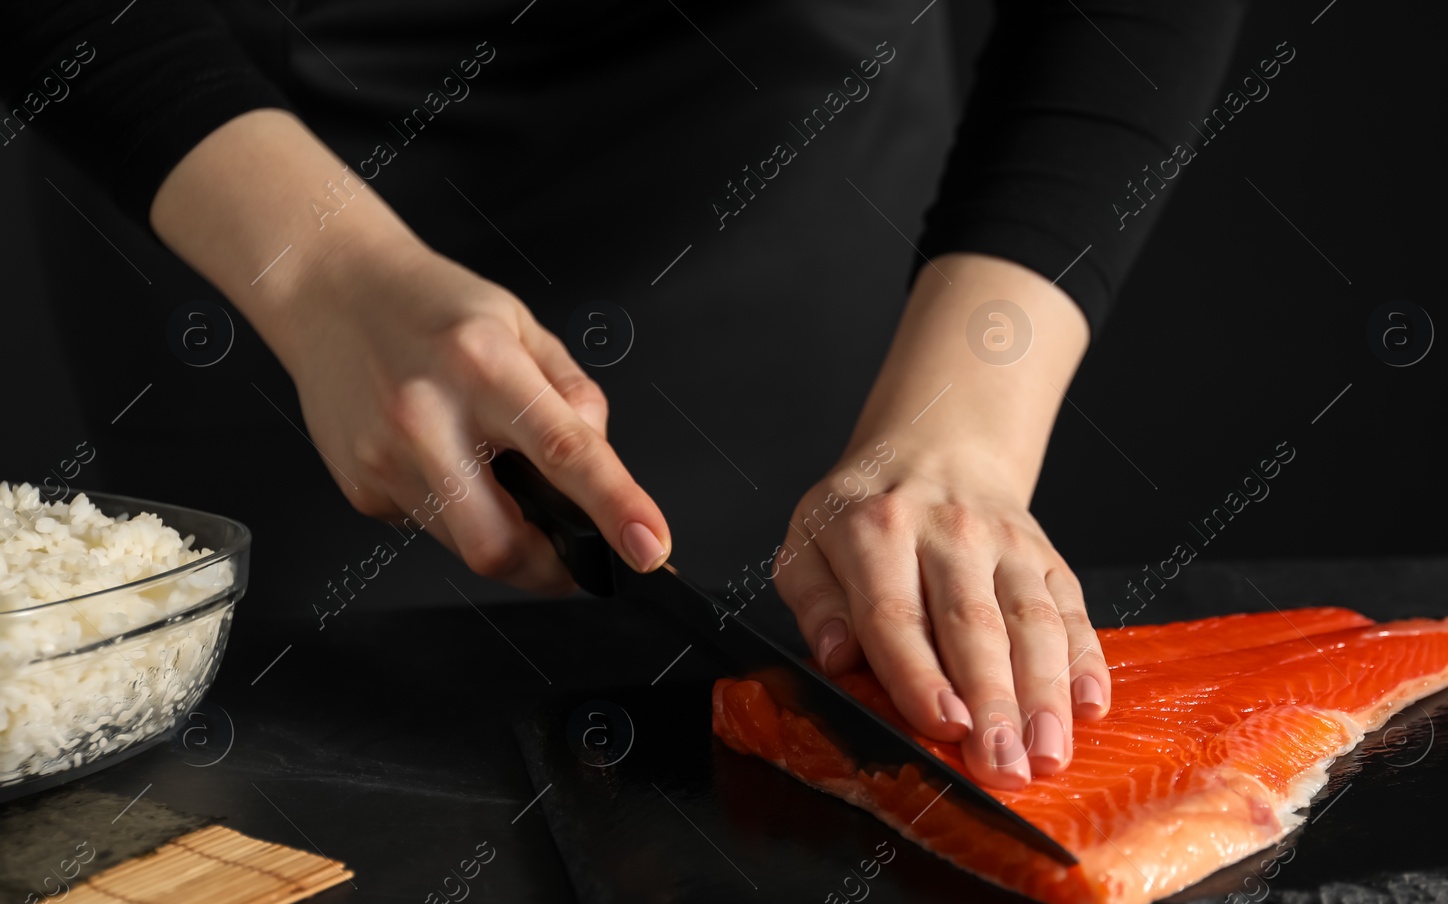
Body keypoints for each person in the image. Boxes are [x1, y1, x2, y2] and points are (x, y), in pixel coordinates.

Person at [3, 0, 1243, 789]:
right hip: (256, 188)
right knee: (302, 796)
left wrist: (962, 425)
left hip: (804, 167)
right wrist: (324, 275)